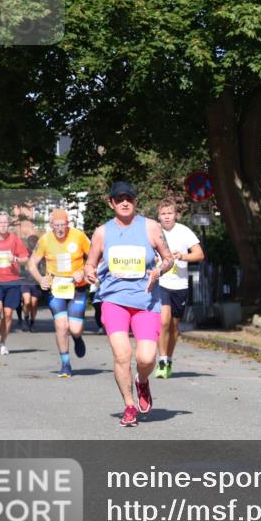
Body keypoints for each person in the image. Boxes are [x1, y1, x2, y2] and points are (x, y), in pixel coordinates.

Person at [84, 182, 173, 427]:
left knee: (146, 358)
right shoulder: (102, 232)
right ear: (111, 203)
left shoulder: (151, 227)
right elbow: (90, 263)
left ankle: (142, 381)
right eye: (119, 199)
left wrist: (159, 270)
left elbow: (167, 259)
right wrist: (90, 272)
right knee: (122, 354)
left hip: (146, 300)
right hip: (114, 301)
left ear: (135, 201)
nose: (125, 202)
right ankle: (129, 405)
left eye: (129, 198)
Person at [29, 209, 91, 378]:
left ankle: (77, 338)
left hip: (77, 286)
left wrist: (85, 272)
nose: (60, 229)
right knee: (61, 325)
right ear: (51, 226)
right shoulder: (45, 240)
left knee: (75, 329)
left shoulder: (79, 236)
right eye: (57, 226)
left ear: (68, 224)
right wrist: (40, 279)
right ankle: (65, 364)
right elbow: (32, 264)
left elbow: (95, 257)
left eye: (63, 225)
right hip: (55, 288)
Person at [154, 199, 205, 378]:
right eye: (163, 214)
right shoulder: (154, 232)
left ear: (175, 215)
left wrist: (182, 256)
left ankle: (168, 358)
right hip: (161, 282)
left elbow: (199, 254)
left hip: (180, 284)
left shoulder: (184, 231)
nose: (167, 217)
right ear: (158, 216)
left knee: (174, 327)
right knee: (163, 321)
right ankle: (161, 360)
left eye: (170, 213)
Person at [0, 211, 30, 355]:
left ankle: (3, 343)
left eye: (5, 223)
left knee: (8, 314)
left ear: (9, 224)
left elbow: (25, 258)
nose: (3, 225)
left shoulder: (15, 239)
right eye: (0, 222)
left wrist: (14, 259)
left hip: (12, 280)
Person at [19, 234, 41, 331]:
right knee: (27, 301)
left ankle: (33, 321)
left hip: (36, 281)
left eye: (35, 242)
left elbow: (43, 266)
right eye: (31, 242)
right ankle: (25, 318)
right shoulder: (24, 253)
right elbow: (20, 267)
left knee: (34, 302)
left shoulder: (40, 253)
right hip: (25, 280)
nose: (33, 244)